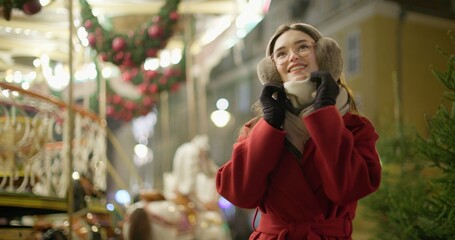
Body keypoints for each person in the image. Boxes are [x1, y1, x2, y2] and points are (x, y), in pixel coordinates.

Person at [215, 22, 382, 239]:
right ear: (271, 70)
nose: (293, 56)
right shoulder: (255, 131)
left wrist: (324, 113)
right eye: (281, 54)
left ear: (324, 55)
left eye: (302, 47)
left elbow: (347, 189)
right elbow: (241, 194)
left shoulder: (355, 127)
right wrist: (270, 127)